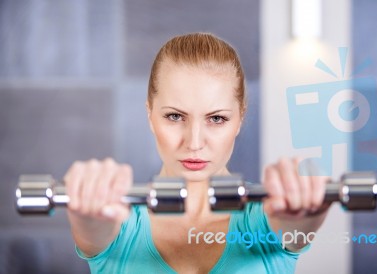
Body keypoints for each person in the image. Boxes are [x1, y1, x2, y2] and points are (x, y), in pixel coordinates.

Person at [64, 33, 330, 274]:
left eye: (216, 119)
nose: (194, 142)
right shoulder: (118, 223)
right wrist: (87, 209)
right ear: (150, 114)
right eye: (175, 116)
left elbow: (297, 227)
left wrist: (305, 208)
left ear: (240, 118)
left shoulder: (265, 220)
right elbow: (93, 229)